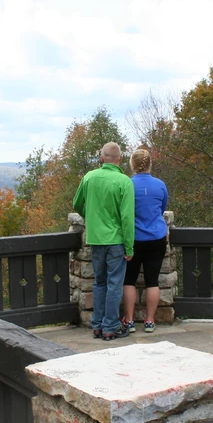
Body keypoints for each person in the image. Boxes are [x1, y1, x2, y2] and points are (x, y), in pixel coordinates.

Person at [73, 142, 135, 340]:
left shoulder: (89, 177)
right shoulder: (124, 181)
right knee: (114, 283)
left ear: (102, 158)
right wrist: (129, 246)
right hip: (116, 240)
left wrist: (91, 217)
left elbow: (77, 204)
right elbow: (127, 218)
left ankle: (98, 325)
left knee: (100, 283)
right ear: (120, 160)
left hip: (96, 238)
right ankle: (111, 326)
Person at [121, 147, 169, 334]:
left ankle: (130, 321)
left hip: (134, 239)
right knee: (152, 280)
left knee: (129, 280)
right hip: (156, 237)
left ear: (132, 164)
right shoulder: (160, 185)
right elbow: (162, 208)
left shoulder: (127, 185)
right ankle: (149, 321)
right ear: (150, 164)